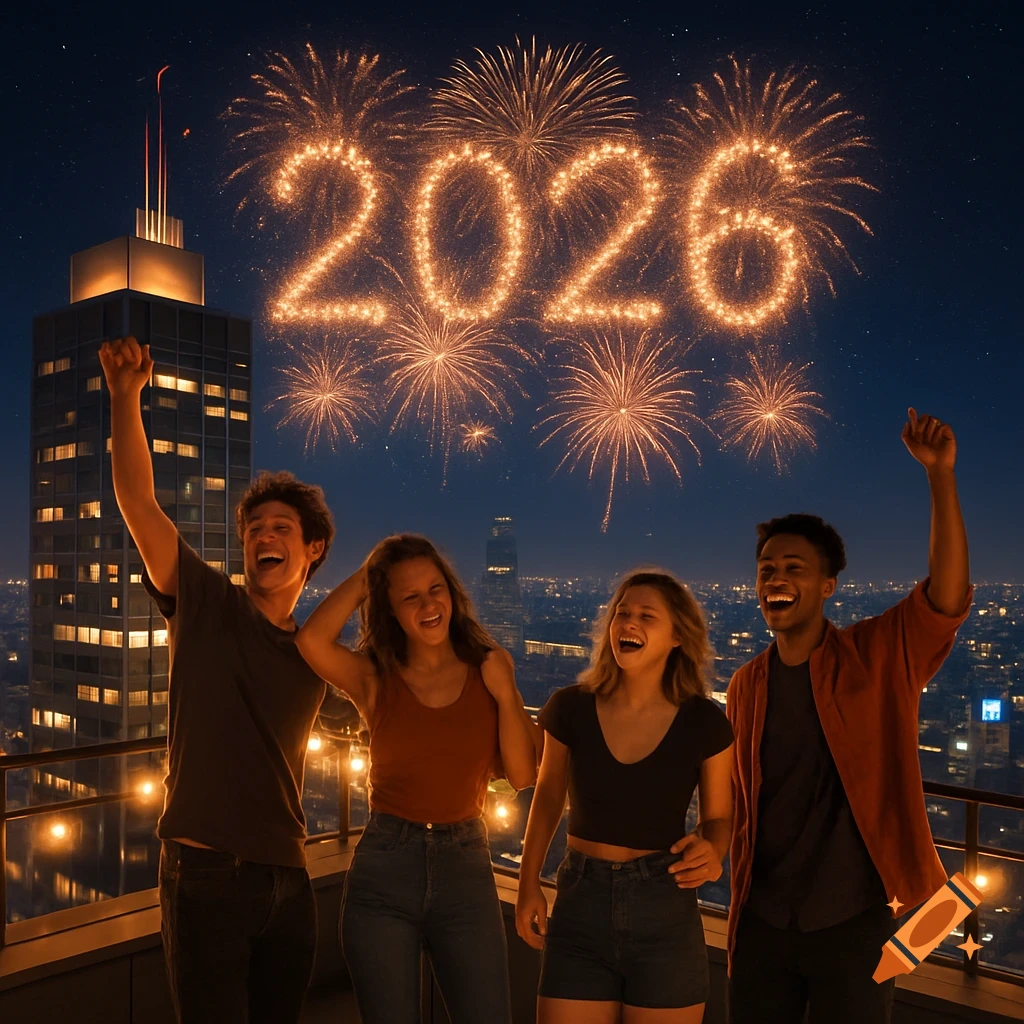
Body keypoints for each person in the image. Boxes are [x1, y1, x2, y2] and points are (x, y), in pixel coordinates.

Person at [99, 336, 336, 1024]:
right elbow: (138, 503)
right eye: (254, 528)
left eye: (281, 527)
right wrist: (125, 397)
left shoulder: (317, 651)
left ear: (312, 548)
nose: (263, 536)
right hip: (204, 876)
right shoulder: (206, 602)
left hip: (290, 880)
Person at [726, 409, 972, 1024]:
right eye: (766, 570)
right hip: (761, 919)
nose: (776, 579)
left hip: (856, 922)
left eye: (794, 568)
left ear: (828, 585)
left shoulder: (876, 655)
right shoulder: (745, 685)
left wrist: (940, 477)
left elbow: (945, 599)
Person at [295, 533, 538, 1024]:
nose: (428, 605)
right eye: (410, 596)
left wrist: (507, 692)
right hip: (385, 868)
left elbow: (522, 774)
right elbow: (310, 642)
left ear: (452, 592)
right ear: (390, 609)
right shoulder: (375, 678)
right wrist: (370, 572)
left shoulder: (486, 673)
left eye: (435, 589)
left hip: (465, 868)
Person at [516, 570, 734, 1024]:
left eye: (647, 616)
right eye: (622, 613)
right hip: (580, 906)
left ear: (677, 637)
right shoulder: (569, 707)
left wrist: (713, 849)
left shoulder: (705, 723)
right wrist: (527, 881)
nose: (629, 622)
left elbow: (718, 818)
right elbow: (549, 796)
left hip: (665, 910)